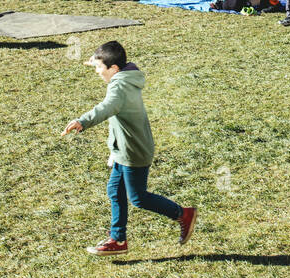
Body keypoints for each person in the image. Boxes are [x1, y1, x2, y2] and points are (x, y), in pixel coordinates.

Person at [62, 41, 196, 257]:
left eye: (99, 68)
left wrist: (82, 121)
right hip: (122, 151)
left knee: (138, 198)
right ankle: (118, 239)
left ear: (114, 69)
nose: (97, 72)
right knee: (115, 190)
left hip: (133, 151)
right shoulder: (126, 75)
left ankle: (183, 214)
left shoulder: (119, 88)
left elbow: (106, 108)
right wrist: (96, 61)